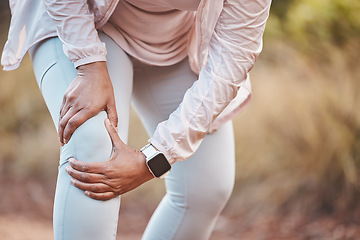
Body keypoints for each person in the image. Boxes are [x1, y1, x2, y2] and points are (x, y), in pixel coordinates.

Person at [1, 0, 272, 239]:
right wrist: (89, 65)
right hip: (82, 18)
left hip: (172, 37)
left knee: (206, 188)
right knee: (93, 143)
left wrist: (154, 159)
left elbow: (233, 55)